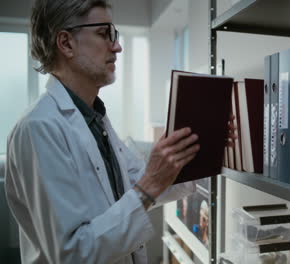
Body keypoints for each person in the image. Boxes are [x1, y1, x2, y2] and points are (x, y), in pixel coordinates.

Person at [4, 0, 204, 263]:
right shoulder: (38, 129)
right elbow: (72, 254)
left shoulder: (94, 119)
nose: (117, 46)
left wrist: (189, 149)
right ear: (66, 43)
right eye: (103, 33)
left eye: (115, 35)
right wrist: (148, 186)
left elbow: (136, 183)